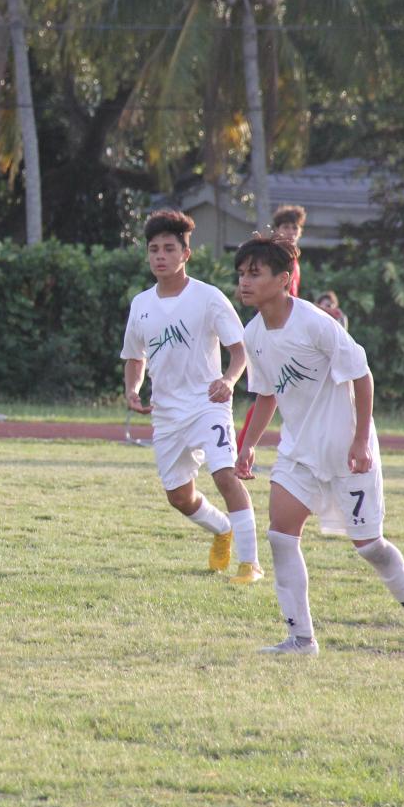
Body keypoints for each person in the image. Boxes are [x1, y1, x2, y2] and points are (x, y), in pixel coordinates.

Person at [233, 235, 404, 658]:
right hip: (298, 454)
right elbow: (268, 394)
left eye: (254, 273)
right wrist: (248, 445)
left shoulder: (314, 323)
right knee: (280, 537)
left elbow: (361, 374)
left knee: (370, 548)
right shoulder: (253, 333)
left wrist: (362, 438)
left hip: (347, 452)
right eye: (240, 274)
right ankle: (301, 638)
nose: (244, 282)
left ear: (284, 279)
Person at [121, 210, 263, 584]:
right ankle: (222, 529)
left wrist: (229, 380)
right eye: (154, 250)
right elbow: (135, 356)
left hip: (208, 404)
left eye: (169, 248)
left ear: (186, 253)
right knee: (179, 497)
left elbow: (240, 350)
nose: (160, 256)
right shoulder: (141, 304)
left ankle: (250, 564)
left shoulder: (209, 298)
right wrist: (133, 390)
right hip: (167, 413)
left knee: (224, 475)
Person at [237, 204, 307, 453]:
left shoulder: (293, 264)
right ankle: (244, 445)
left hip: (289, 330)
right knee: (267, 392)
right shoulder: (273, 261)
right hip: (274, 333)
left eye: (294, 227)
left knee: (278, 391)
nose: (290, 232)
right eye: (285, 227)